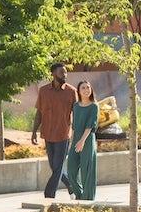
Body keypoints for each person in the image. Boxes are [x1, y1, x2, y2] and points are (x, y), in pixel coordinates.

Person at [31, 63, 78, 199]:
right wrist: (34, 131)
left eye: (66, 72)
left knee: (57, 167)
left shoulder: (71, 91)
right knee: (55, 167)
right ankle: (71, 186)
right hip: (48, 134)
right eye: (61, 72)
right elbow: (39, 113)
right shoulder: (43, 91)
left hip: (63, 134)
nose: (65, 75)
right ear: (53, 74)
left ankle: (49, 195)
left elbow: (78, 113)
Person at [67, 81, 99, 201]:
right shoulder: (76, 106)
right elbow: (74, 125)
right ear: (79, 91)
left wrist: (82, 141)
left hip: (87, 140)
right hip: (76, 139)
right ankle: (80, 195)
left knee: (87, 171)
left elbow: (90, 126)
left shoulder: (94, 106)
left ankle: (88, 199)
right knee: (71, 170)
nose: (86, 90)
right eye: (83, 88)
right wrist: (72, 142)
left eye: (88, 87)